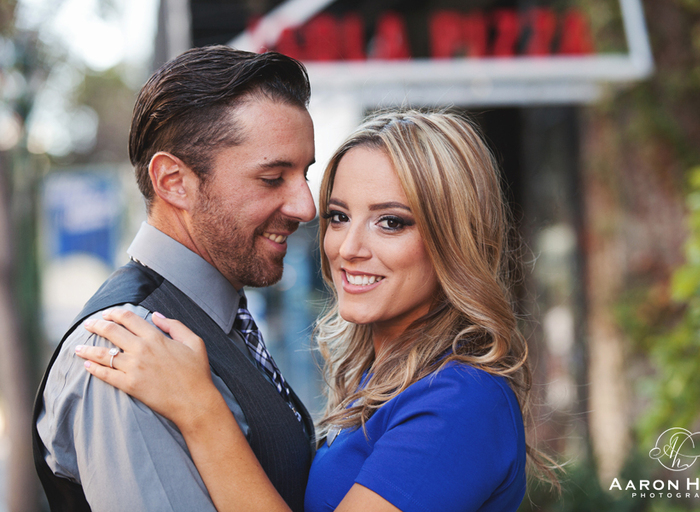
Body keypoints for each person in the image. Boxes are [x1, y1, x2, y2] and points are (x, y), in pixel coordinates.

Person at [76, 110, 556, 511]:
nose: (348, 248)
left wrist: (199, 409)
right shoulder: (391, 378)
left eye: (391, 222)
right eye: (339, 217)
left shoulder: (460, 400)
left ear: (454, 240)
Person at [32, 46, 317, 512]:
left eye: (304, 174)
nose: (305, 207)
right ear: (173, 181)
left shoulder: (213, 314)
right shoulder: (127, 348)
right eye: (272, 178)